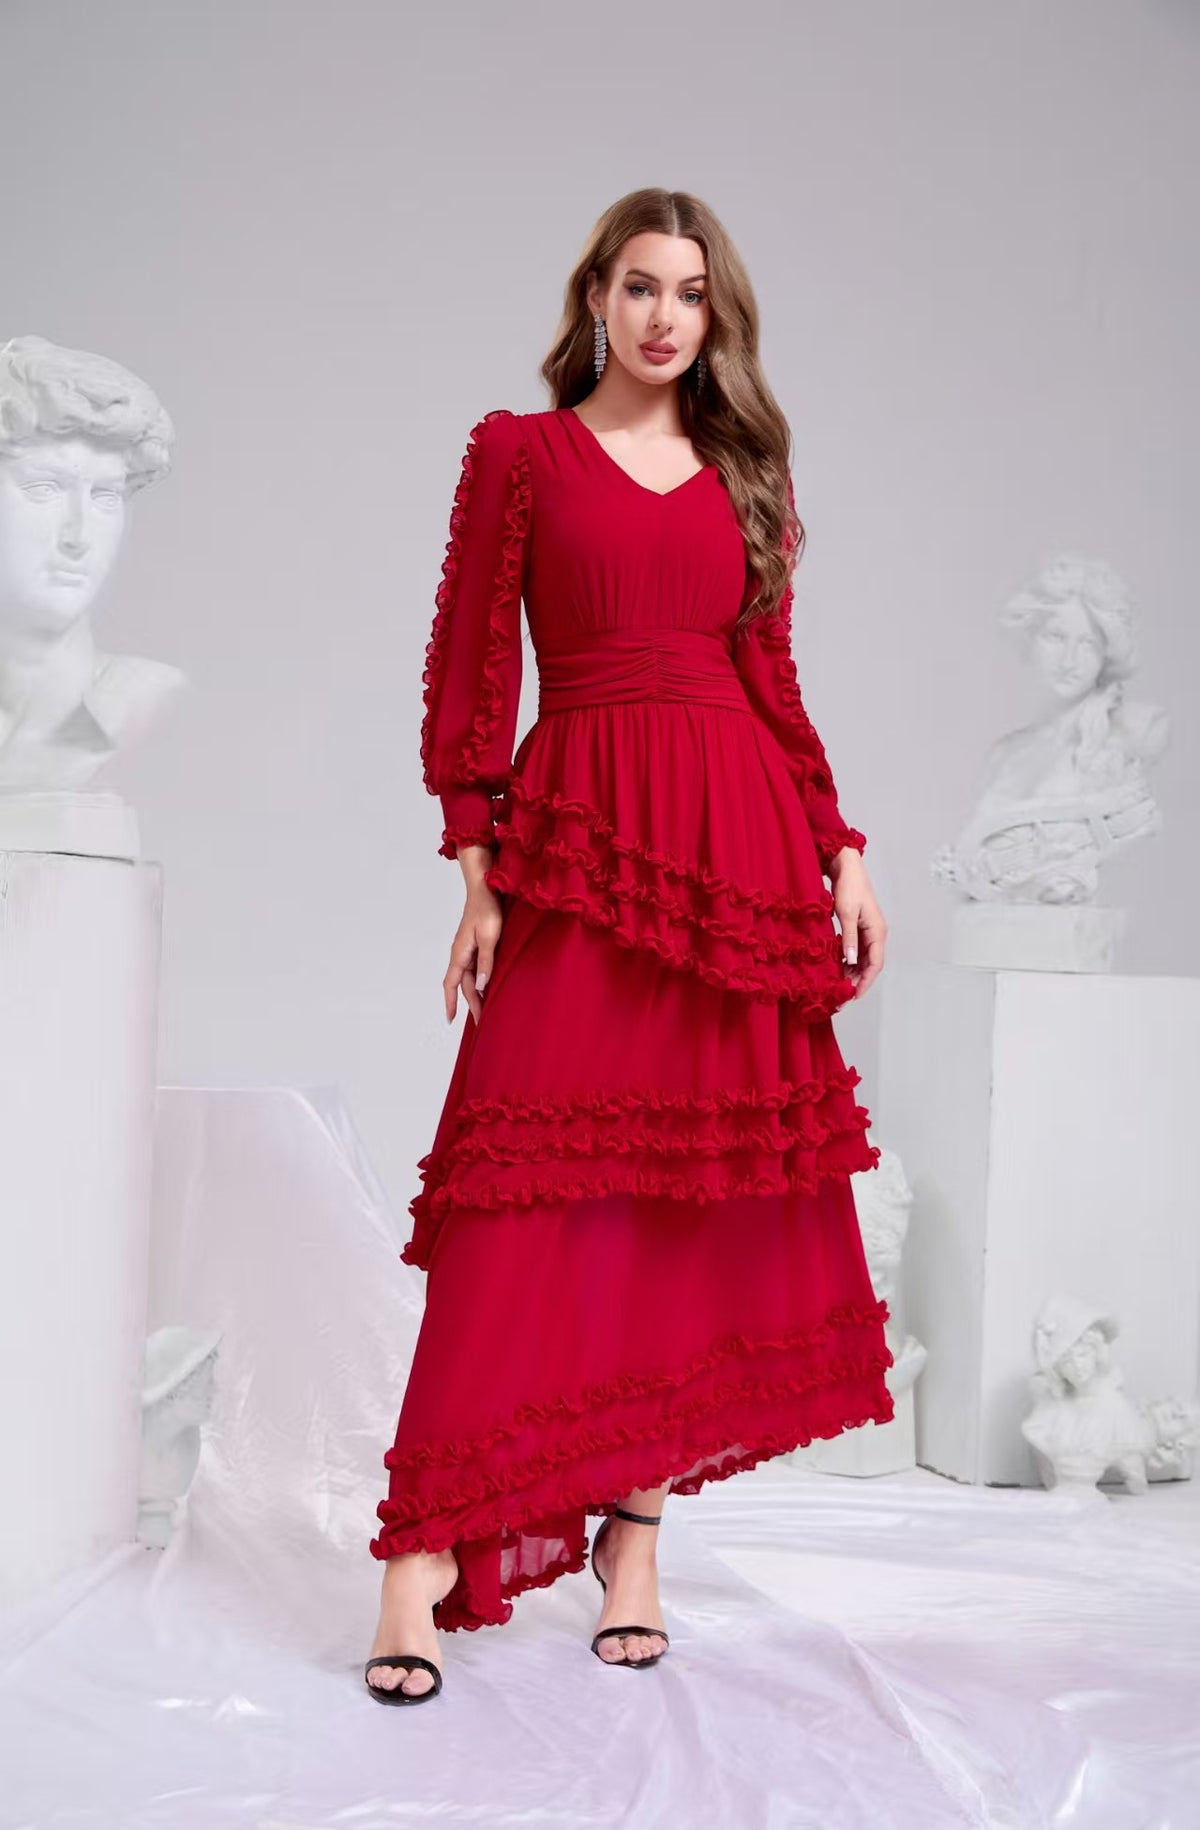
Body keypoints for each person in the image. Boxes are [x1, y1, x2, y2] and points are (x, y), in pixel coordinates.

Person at [364, 187, 892, 1704]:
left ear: (717, 316)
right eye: (642, 285)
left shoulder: (745, 470)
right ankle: (418, 1556)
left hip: (738, 851)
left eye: (692, 293)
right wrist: (477, 866)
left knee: (684, 1207)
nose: (666, 315)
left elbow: (772, 679)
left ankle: (636, 1538)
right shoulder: (520, 454)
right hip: (581, 841)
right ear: (595, 294)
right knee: (515, 1199)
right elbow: (471, 663)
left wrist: (840, 845)